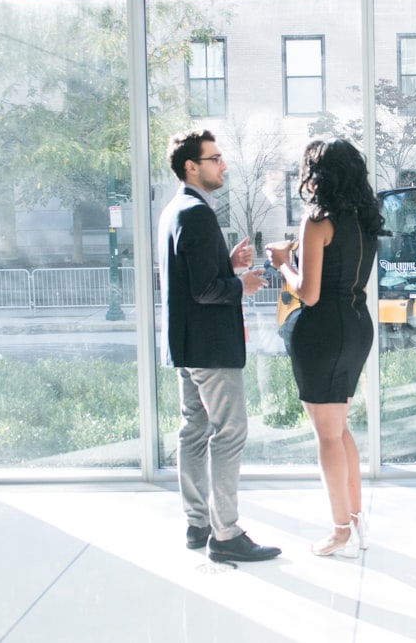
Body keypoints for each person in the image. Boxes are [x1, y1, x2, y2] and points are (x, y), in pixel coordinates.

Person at [158, 129, 281, 563]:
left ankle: (198, 524)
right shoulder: (197, 214)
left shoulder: (176, 210)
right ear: (192, 166)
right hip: (210, 348)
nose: (223, 165)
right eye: (215, 158)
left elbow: (193, 280)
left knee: (193, 431)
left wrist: (228, 267)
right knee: (229, 433)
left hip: (187, 347)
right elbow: (207, 291)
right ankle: (225, 534)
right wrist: (241, 284)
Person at [266, 138, 385, 558]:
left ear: (318, 176)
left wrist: (280, 261)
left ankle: (340, 532)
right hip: (356, 326)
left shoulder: (317, 223)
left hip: (323, 332)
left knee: (327, 436)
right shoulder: (365, 221)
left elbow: (309, 293)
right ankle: (354, 521)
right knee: (340, 429)